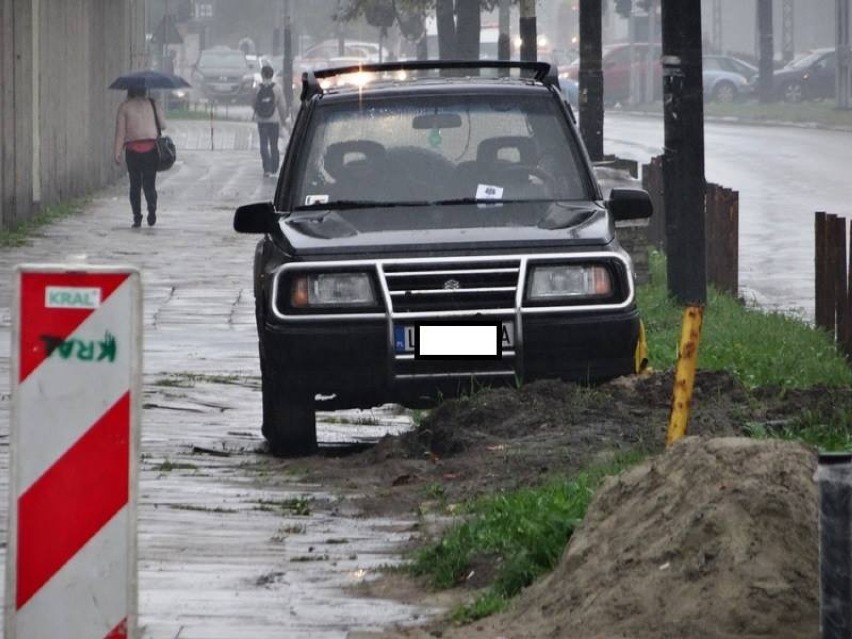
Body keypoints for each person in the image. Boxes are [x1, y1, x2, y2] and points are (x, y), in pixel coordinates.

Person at [113, 87, 166, 227]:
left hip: (133, 152)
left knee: (135, 186)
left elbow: (120, 133)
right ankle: (152, 208)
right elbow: (163, 125)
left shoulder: (124, 107)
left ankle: (137, 217)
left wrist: (117, 152)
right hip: (151, 150)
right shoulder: (153, 103)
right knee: (149, 184)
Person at [253, 65, 288, 177]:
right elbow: (282, 106)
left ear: (262, 74)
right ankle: (274, 167)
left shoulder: (257, 88)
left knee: (263, 144)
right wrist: (283, 120)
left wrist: (257, 112)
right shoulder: (277, 88)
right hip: (274, 120)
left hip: (261, 120)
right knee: (274, 144)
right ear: (272, 75)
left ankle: (266, 169)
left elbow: (254, 103)